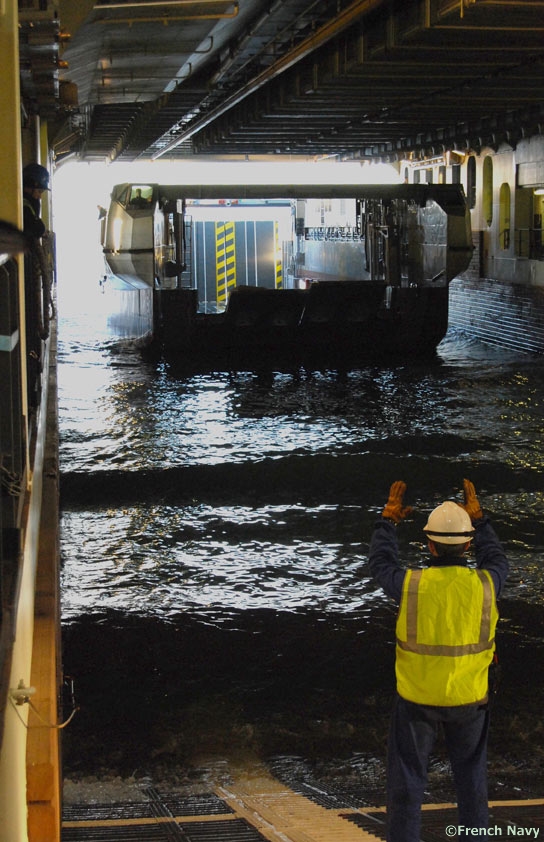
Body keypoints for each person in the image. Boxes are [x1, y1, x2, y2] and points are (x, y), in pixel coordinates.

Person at [368, 479, 508, 842]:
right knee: (471, 786)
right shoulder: (487, 583)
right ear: (468, 544)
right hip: (469, 700)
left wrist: (388, 520)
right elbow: (497, 558)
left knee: (407, 787)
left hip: (416, 701)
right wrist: (481, 520)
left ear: (429, 544)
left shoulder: (411, 584)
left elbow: (380, 562)